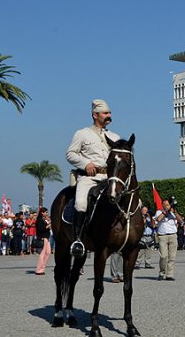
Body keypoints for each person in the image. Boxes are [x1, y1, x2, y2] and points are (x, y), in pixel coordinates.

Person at [66, 99, 120, 258]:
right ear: (95, 115)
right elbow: (70, 154)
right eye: (105, 113)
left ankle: (131, 238)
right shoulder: (82, 133)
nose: (109, 115)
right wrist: (85, 164)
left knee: (128, 199)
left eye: (109, 112)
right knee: (81, 203)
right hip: (89, 176)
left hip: (109, 177)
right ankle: (78, 240)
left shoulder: (115, 136)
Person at [154, 198, 183, 280]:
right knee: (163, 256)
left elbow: (181, 221)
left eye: (168, 205)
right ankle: (162, 272)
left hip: (173, 235)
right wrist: (165, 211)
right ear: (162, 205)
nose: (167, 206)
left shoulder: (173, 212)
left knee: (172, 257)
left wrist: (175, 213)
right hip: (163, 236)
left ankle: (169, 274)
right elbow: (158, 219)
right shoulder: (159, 212)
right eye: (165, 205)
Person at [34, 207, 52, 275]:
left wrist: (49, 225)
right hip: (43, 238)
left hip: (47, 237)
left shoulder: (43, 220)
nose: (47, 213)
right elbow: (41, 229)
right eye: (46, 212)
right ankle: (38, 269)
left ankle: (42, 267)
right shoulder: (39, 220)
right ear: (42, 212)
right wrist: (49, 225)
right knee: (43, 253)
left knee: (48, 252)